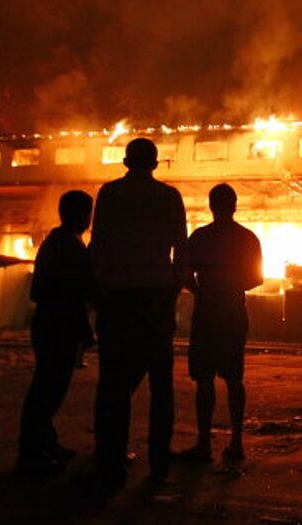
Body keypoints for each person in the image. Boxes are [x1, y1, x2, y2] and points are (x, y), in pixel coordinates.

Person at [90, 138, 188, 488]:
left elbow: (98, 246)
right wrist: (173, 288)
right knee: (160, 384)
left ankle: (110, 459)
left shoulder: (110, 194)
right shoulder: (169, 197)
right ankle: (159, 461)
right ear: (155, 164)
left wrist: (100, 294)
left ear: (126, 161)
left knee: (114, 381)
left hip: (118, 297)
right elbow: (182, 248)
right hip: (157, 297)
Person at [179, 183, 262, 464]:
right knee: (234, 378)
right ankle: (236, 443)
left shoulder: (200, 237)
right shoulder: (247, 238)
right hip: (233, 312)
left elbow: (186, 276)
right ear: (234, 205)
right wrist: (232, 285)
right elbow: (256, 279)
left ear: (211, 205)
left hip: (207, 313)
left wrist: (204, 291)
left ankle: (203, 444)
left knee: (204, 380)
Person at [17, 190, 95, 475]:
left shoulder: (61, 241)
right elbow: (76, 291)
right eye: (88, 214)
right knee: (48, 390)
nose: (89, 220)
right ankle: (32, 453)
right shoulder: (69, 246)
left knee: (49, 387)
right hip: (58, 325)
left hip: (52, 323)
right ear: (80, 215)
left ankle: (46, 443)